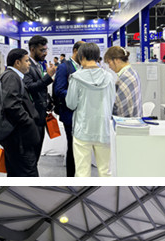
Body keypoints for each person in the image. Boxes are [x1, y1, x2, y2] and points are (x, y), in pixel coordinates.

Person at [66, 42, 117, 177]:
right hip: (103, 129)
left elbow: (70, 104)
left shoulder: (76, 78)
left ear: (82, 57)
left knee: (82, 172)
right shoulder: (109, 77)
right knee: (105, 172)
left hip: (82, 130)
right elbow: (112, 101)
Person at [0, 48, 43, 177]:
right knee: (29, 174)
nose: (29, 63)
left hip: (16, 138)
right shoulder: (11, 77)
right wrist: (29, 122)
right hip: (19, 139)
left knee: (15, 173)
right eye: (26, 61)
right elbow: (11, 106)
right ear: (17, 63)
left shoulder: (11, 76)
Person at [52, 45, 79, 177]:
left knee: (80, 149)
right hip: (69, 113)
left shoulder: (84, 67)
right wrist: (78, 94)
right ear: (75, 51)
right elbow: (59, 90)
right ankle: (71, 179)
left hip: (82, 115)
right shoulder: (64, 67)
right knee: (73, 147)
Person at [23, 34, 56, 139]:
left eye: (46, 50)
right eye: (42, 50)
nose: (45, 53)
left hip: (40, 114)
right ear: (32, 49)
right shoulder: (27, 66)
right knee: (34, 146)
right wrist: (48, 77)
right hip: (32, 115)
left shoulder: (38, 65)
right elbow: (30, 87)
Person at [104, 46, 142, 117]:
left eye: (109, 62)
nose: (109, 66)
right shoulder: (132, 72)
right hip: (135, 118)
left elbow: (117, 106)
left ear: (117, 60)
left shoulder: (125, 77)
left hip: (128, 121)